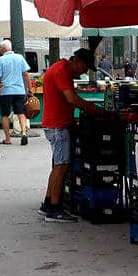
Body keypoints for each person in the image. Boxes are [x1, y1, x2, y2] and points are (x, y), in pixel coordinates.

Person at [39, 49, 98, 222]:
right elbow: (71, 99)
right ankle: (55, 210)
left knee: (57, 165)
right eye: (85, 67)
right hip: (57, 126)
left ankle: (48, 203)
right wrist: (92, 108)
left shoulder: (61, 68)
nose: (85, 72)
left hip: (56, 124)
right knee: (62, 166)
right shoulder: (61, 71)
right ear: (77, 61)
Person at [0, 40, 32, 145]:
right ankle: (23, 133)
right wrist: (30, 88)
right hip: (19, 91)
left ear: (3, 49)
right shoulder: (19, 57)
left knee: (5, 115)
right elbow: (26, 74)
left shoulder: (1, 60)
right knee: (21, 113)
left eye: (0, 48)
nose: (0, 50)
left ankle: (8, 139)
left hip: (6, 92)